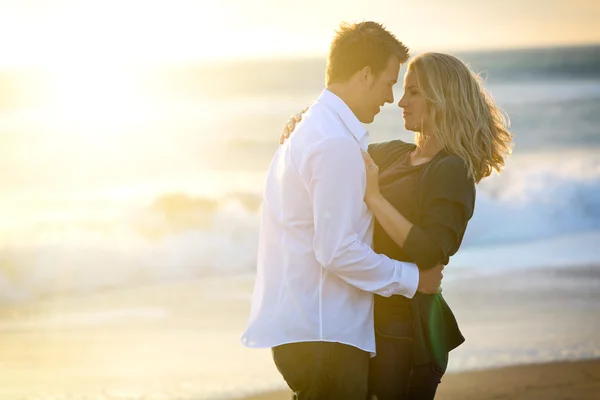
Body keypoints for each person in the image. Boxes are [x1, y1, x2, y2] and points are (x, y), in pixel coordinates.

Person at [282, 52, 513, 399]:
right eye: (402, 90)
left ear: (442, 98)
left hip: (408, 331)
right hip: (373, 317)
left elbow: (432, 250)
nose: (401, 102)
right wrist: (304, 124)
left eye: (414, 92)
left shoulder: (451, 169)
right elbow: (337, 151)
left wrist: (375, 199)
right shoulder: (393, 154)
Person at [241, 21, 445, 400]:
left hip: (311, 331)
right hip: (324, 335)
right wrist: (412, 279)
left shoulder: (314, 130)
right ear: (365, 75)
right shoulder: (333, 142)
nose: (390, 97)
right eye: (388, 82)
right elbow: (336, 250)